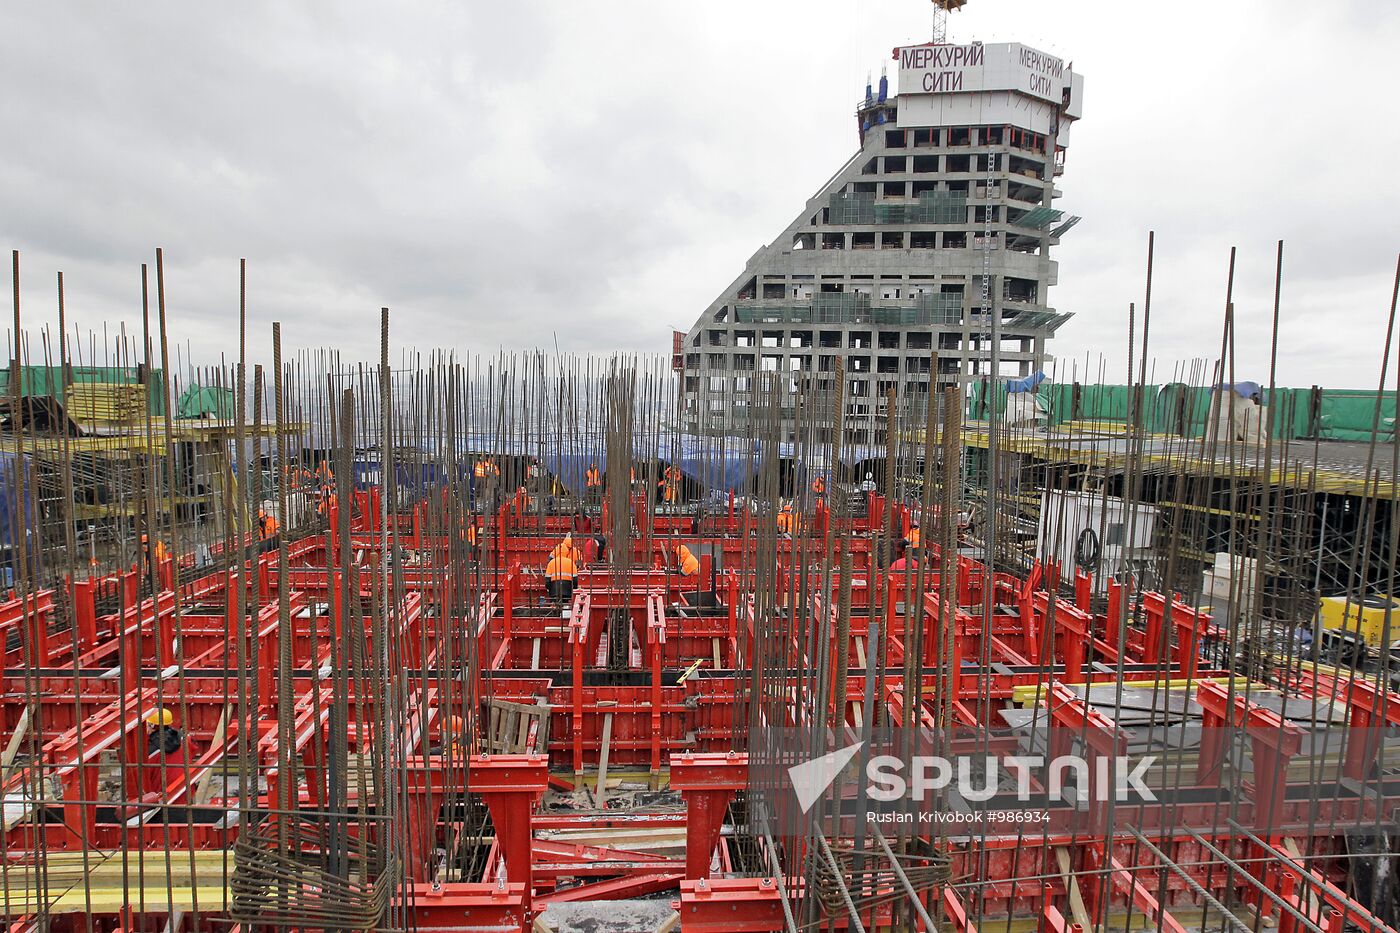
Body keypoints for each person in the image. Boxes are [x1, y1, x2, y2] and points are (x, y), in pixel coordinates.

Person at [143, 708, 185, 794]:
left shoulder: (150, 752)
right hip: (185, 788)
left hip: (162, 796)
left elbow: (142, 777)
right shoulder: (184, 738)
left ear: (152, 725)